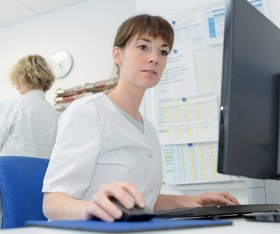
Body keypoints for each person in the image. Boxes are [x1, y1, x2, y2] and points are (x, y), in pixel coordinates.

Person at [42, 14, 239, 222]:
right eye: (143, 47)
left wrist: (191, 201)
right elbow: (52, 203)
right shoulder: (88, 112)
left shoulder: (149, 129)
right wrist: (90, 209)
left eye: (163, 51)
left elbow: (145, 201)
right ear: (117, 55)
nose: (155, 58)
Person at [0, 54, 59, 231]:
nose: (15, 86)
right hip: (40, 195)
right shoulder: (56, 116)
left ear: (22, 76)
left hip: (9, 192)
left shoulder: (10, 105)